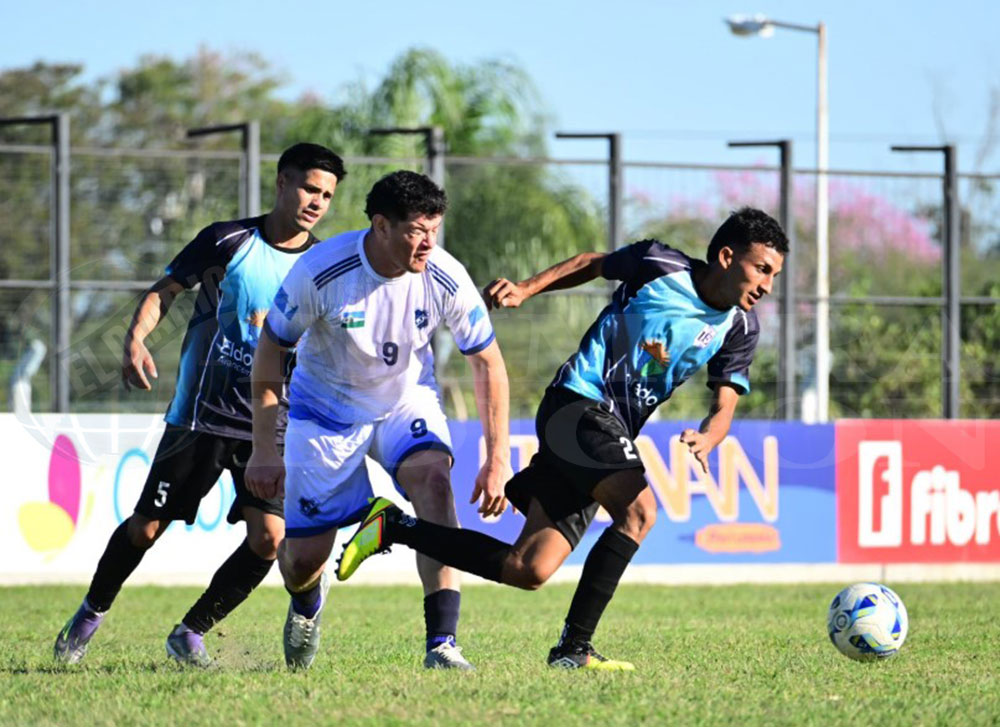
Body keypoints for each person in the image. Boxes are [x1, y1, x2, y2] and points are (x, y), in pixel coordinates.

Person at [337, 207, 788, 670]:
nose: (768, 285)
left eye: (774, 275)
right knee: (639, 513)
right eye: (762, 269)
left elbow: (725, 402)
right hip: (577, 404)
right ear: (727, 257)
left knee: (528, 568)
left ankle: (394, 526)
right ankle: (576, 646)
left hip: (608, 431)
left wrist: (710, 436)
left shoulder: (740, 326)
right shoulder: (659, 264)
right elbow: (592, 263)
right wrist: (526, 288)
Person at [54, 143, 346, 667]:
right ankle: (90, 613)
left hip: (269, 422)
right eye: (309, 188)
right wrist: (136, 339)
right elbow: (163, 291)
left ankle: (190, 632)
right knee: (145, 528)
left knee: (269, 538)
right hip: (199, 417)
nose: (316, 202)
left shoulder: (322, 266)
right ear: (282, 183)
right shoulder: (227, 240)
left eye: (326, 195)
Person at [245, 170, 511, 671]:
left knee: (435, 486)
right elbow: (271, 350)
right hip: (324, 415)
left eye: (435, 230)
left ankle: (442, 644)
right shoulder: (321, 271)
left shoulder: (444, 275)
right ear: (381, 225)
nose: (429, 243)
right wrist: (263, 448)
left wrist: (497, 459)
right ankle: (307, 602)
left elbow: (487, 363)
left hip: (404, 403)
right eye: (417, 231)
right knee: (302, 562)